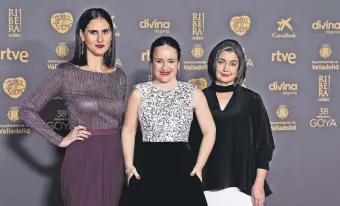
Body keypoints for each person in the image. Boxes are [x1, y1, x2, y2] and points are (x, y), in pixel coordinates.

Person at [19, 8, 126, 206]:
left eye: (106, 31)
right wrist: (59, 140)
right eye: (93, 32)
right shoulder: (66, 73)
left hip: (113, 157)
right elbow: (27, 110)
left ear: (112, 35)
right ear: (81, 35)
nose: (100, 38)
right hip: (82, 155)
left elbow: (120, 125)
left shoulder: (119, 76)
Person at [120, 36, 216, 206]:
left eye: (171, 61)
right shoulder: (139, 93)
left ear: (179, 63)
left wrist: (199, 166)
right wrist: (129, 167)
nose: (165, 67)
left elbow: (210, 131)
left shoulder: (193, 93)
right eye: (159, 61)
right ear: (151, 62)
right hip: (146, 168)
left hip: (182, 168)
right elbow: (128, 130)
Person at [189, 39, 275, 206]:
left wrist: (258, 183)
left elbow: (264, 146)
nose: (226, 69)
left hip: (243, 186)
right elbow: (189, 144)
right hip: (203, 185)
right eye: (221, 62)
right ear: (213, 63)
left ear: (239, 68)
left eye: (232, 63)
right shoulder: (199, 98)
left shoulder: (252, 100)